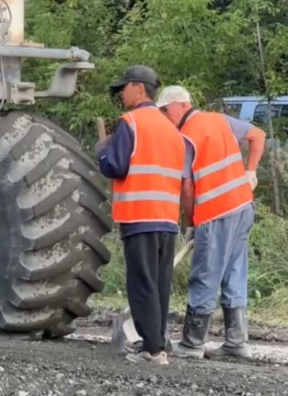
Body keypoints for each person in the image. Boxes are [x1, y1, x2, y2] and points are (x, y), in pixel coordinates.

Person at [156, 86, 266, 359]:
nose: (164, 116)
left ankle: (192, 343)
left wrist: (191, 222)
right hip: (243, 207)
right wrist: (250, 171)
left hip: (216, 214)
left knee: (205, 275)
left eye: (165, 110)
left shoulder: (185, 137)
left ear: (181, 105)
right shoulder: (220, 120)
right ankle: (236, 342)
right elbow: (258, 135)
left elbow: (188, 190)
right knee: (233, 274)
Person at [96, 66, 190, 366]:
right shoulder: (171, 130)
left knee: (141, 284)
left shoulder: (131, 123)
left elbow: (116, 167)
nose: (120, 93)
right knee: (160, 285)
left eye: (123, 88)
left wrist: (101, 152)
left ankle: (152, 350)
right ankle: (157, 344)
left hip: (139, 216)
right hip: (166, 219)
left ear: (139, 88)